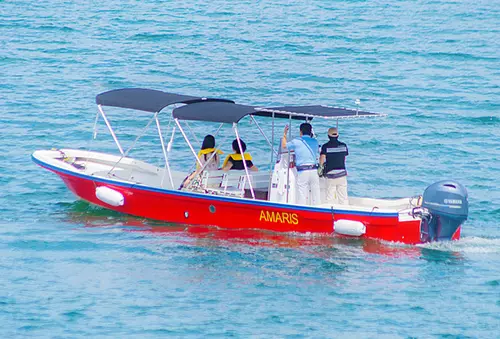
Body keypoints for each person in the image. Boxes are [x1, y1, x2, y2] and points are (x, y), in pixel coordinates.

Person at [282, 123, 320, 205]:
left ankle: (302, 211)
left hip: (303, 171)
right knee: (316, 193)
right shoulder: (315, 141)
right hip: (314, 170)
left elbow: (284, 145)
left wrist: (284, 134)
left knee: (302, 194)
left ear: (301, 132)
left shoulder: (296, 141)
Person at [319, 127, 349, 205]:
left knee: (330, 197)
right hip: (342, 173)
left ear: (328, 136)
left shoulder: (325, 146)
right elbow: (344, 157)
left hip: (331, 175)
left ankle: (330, 214)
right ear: (337, 136)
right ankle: (344, 213)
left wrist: (320, 169)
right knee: (343, 197)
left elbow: (322, 159)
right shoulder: (343, 145)